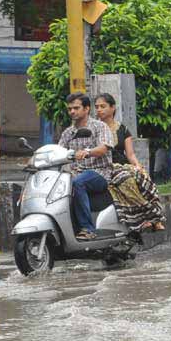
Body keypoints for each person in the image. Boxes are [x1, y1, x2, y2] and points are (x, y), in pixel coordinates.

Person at [94, 93, 166, 232]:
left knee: (143, 178)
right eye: (97, 107)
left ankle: (154, 220)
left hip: (123, 165)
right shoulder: (95, 128)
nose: (99, 110)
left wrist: (138, 166)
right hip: (106, 166)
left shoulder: (123, 129)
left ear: (113, 108)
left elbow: (130, 154)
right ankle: (153, 216)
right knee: (126, 180)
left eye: (103, 106)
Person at [58, 92, 114, 240]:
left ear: (87, 108)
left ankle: (88, 229)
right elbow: (59, 152)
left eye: (76, 108)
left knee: (78, 183)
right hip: (74, 172)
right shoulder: (68, 133)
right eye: (70, 109)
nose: (72, 112)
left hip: (99, 172)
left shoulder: (100, 127)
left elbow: (103, 148)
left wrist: (87, 152)